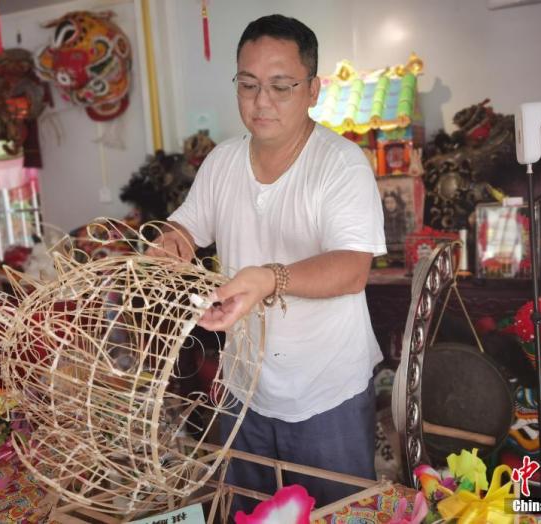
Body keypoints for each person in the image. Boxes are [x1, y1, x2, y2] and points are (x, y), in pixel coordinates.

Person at [148, 14, 386, 513]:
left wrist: (268, 279)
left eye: (280, 86)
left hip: (326, 390)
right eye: (248, 84)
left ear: (312, 89)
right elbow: (186, 226)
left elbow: (352, 268)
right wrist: (171, 244)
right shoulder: (222, 162)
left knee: (337, 515)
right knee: (247, 510)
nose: (261, 102)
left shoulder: (340, 164)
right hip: (244, 388)